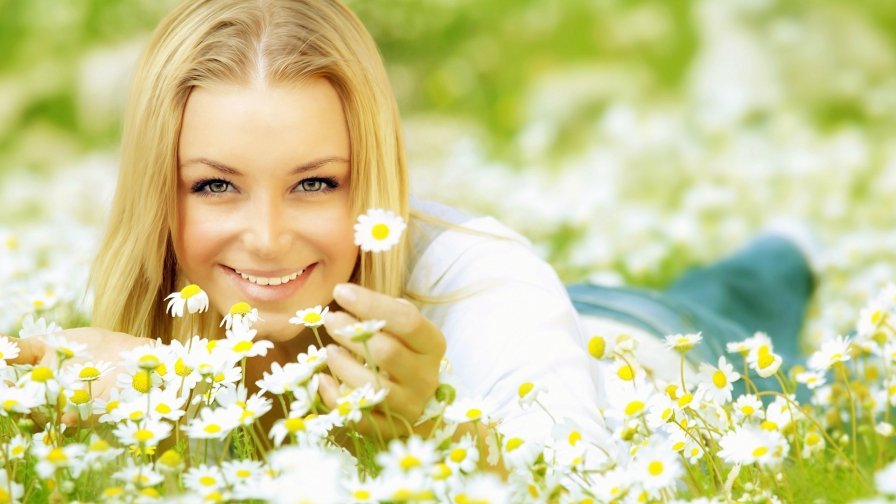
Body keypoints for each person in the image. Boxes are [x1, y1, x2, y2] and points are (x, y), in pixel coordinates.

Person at [9, 0, 815, 446]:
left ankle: (790, 246)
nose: (265, 235)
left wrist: (430, 425)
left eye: (315, 183)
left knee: (751, 296)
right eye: (217, 186)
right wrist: (50, 385)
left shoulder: (483, 272)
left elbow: (579, 477)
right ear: (161, 192)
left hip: (663, 353)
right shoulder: (144, 311)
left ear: (373, 183)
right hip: (559, 318)